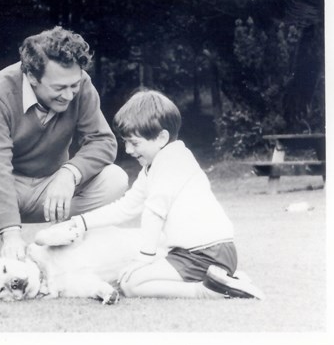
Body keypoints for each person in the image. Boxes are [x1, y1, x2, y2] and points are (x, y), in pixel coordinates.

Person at [36, 89, 264, 299]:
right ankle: (223, 280)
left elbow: (154, 212)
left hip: (206, 253)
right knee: (130, 279)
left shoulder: (173, 162)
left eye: (134, 143)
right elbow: (126, 207)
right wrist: (80, 223)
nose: (128, 150)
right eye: (125, 142)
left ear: (162, 138)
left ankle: (208, 291)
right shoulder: (156, 165)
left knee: (130, 283)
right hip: (197, 253)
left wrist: (143, 259)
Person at [0, 26, 128, 261]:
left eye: (73, 86)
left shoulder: (82, 83)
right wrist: (11, 233)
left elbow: (102, 140)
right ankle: (1, 259)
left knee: (115, 180)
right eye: (59, 88)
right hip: (3, 182)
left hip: (53, 185)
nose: (68, 95)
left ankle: (66, 252)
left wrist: (69, 174)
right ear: (32, 77)